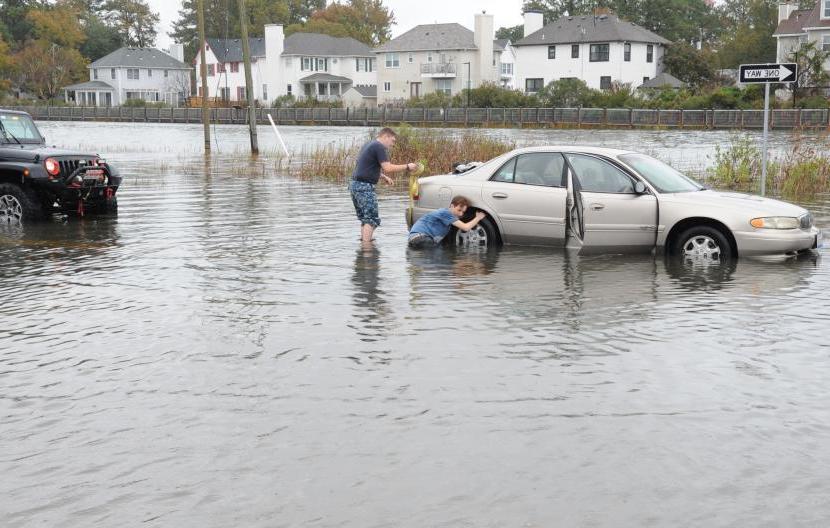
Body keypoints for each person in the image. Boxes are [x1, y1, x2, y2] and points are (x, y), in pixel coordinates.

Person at [350, 127, 418, 243]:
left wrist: (382, 176)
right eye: (392, 141)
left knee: (365, 219)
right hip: (364, 187)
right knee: (371, 220)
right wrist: (407, 166)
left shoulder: (369, 144)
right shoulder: (379, 147)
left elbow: (364, 165)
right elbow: (388, 167)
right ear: (385, 136)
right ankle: (367, 249)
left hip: (355, 185)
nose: (392, 144)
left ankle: (365, 244)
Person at [408, 196, 486, 249]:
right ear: (452, 206)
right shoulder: (446, 213)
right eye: (459, 210)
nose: (461, 214)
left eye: (463, 212)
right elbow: (465, 227)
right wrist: (478, 217)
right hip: (421, 238)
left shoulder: (448, 216)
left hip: (417, 239)